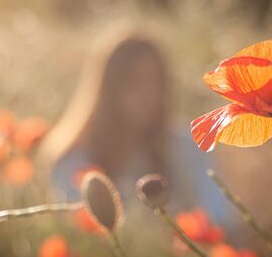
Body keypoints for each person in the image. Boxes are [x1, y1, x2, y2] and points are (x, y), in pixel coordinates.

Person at [39, 30, 230, 223]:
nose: (146, 93)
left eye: (153, 80)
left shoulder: (187, 147)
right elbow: (75, 229)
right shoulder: (74, 161)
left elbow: (221, 218)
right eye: (133, 82)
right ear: (107, 90)